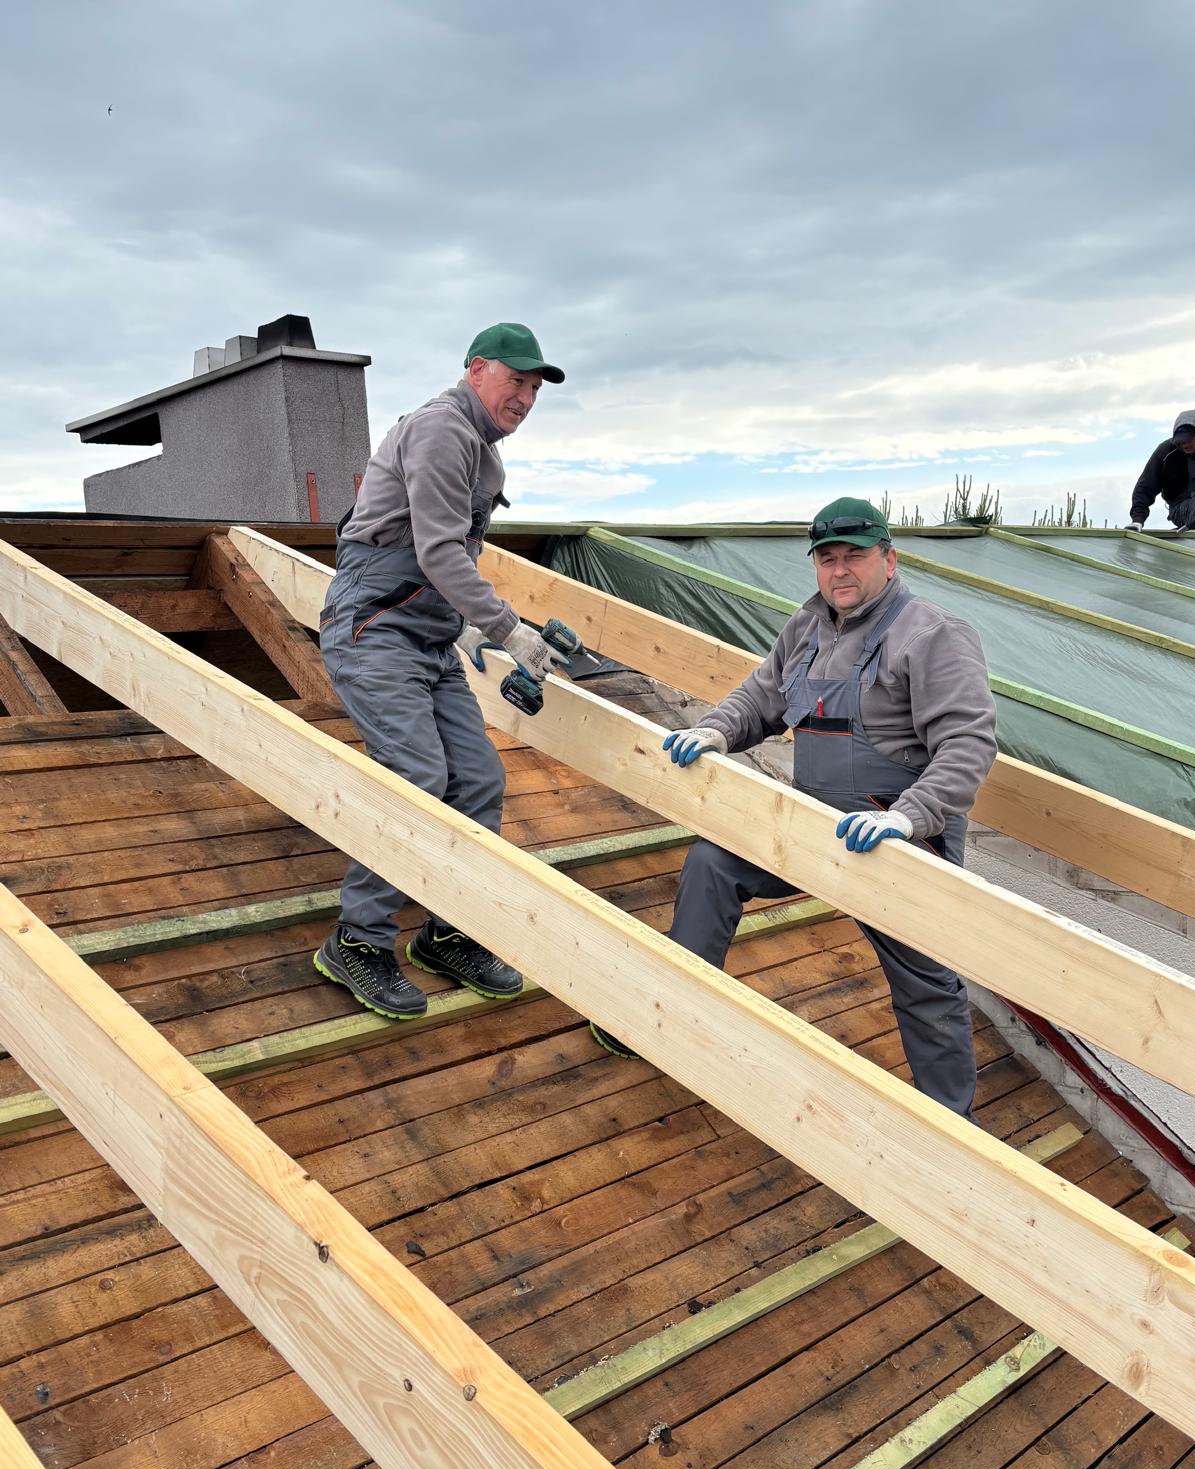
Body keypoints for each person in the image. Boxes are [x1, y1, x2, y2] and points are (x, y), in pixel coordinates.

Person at [591, 497, 997, 1118]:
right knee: (715, 865)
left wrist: (909, 817)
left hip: (896, 836)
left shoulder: (933, 634)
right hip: (814, 826)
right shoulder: (806, 629)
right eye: (827, 558)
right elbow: (760, 697)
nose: (840, 571)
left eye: (855, 556)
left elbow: (967, 744)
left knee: (926, 983)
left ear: (888, 559)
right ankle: (669, 1012)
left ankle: (954, 1125)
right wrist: (716, 732)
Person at [315, 323, 574, 1019]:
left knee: (480, 778)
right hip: (374, 630)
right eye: (513, 381)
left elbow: (440, 560)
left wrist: (464, 626)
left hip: (427, 638)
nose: (523, 397)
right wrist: (508, 628)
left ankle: (447, 930)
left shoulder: (485, 456)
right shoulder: (440, 430)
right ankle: (359, 941)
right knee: (418, 775)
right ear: (475, 369)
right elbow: (436, 550)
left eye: (532, 388)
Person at [1127, 409, 1195, 534]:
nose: (1185, 444)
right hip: (1180, 508)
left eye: (1189, 439)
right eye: (1181, 441)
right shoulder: (1166, 452)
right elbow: (1145, 487)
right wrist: (1137, 520)